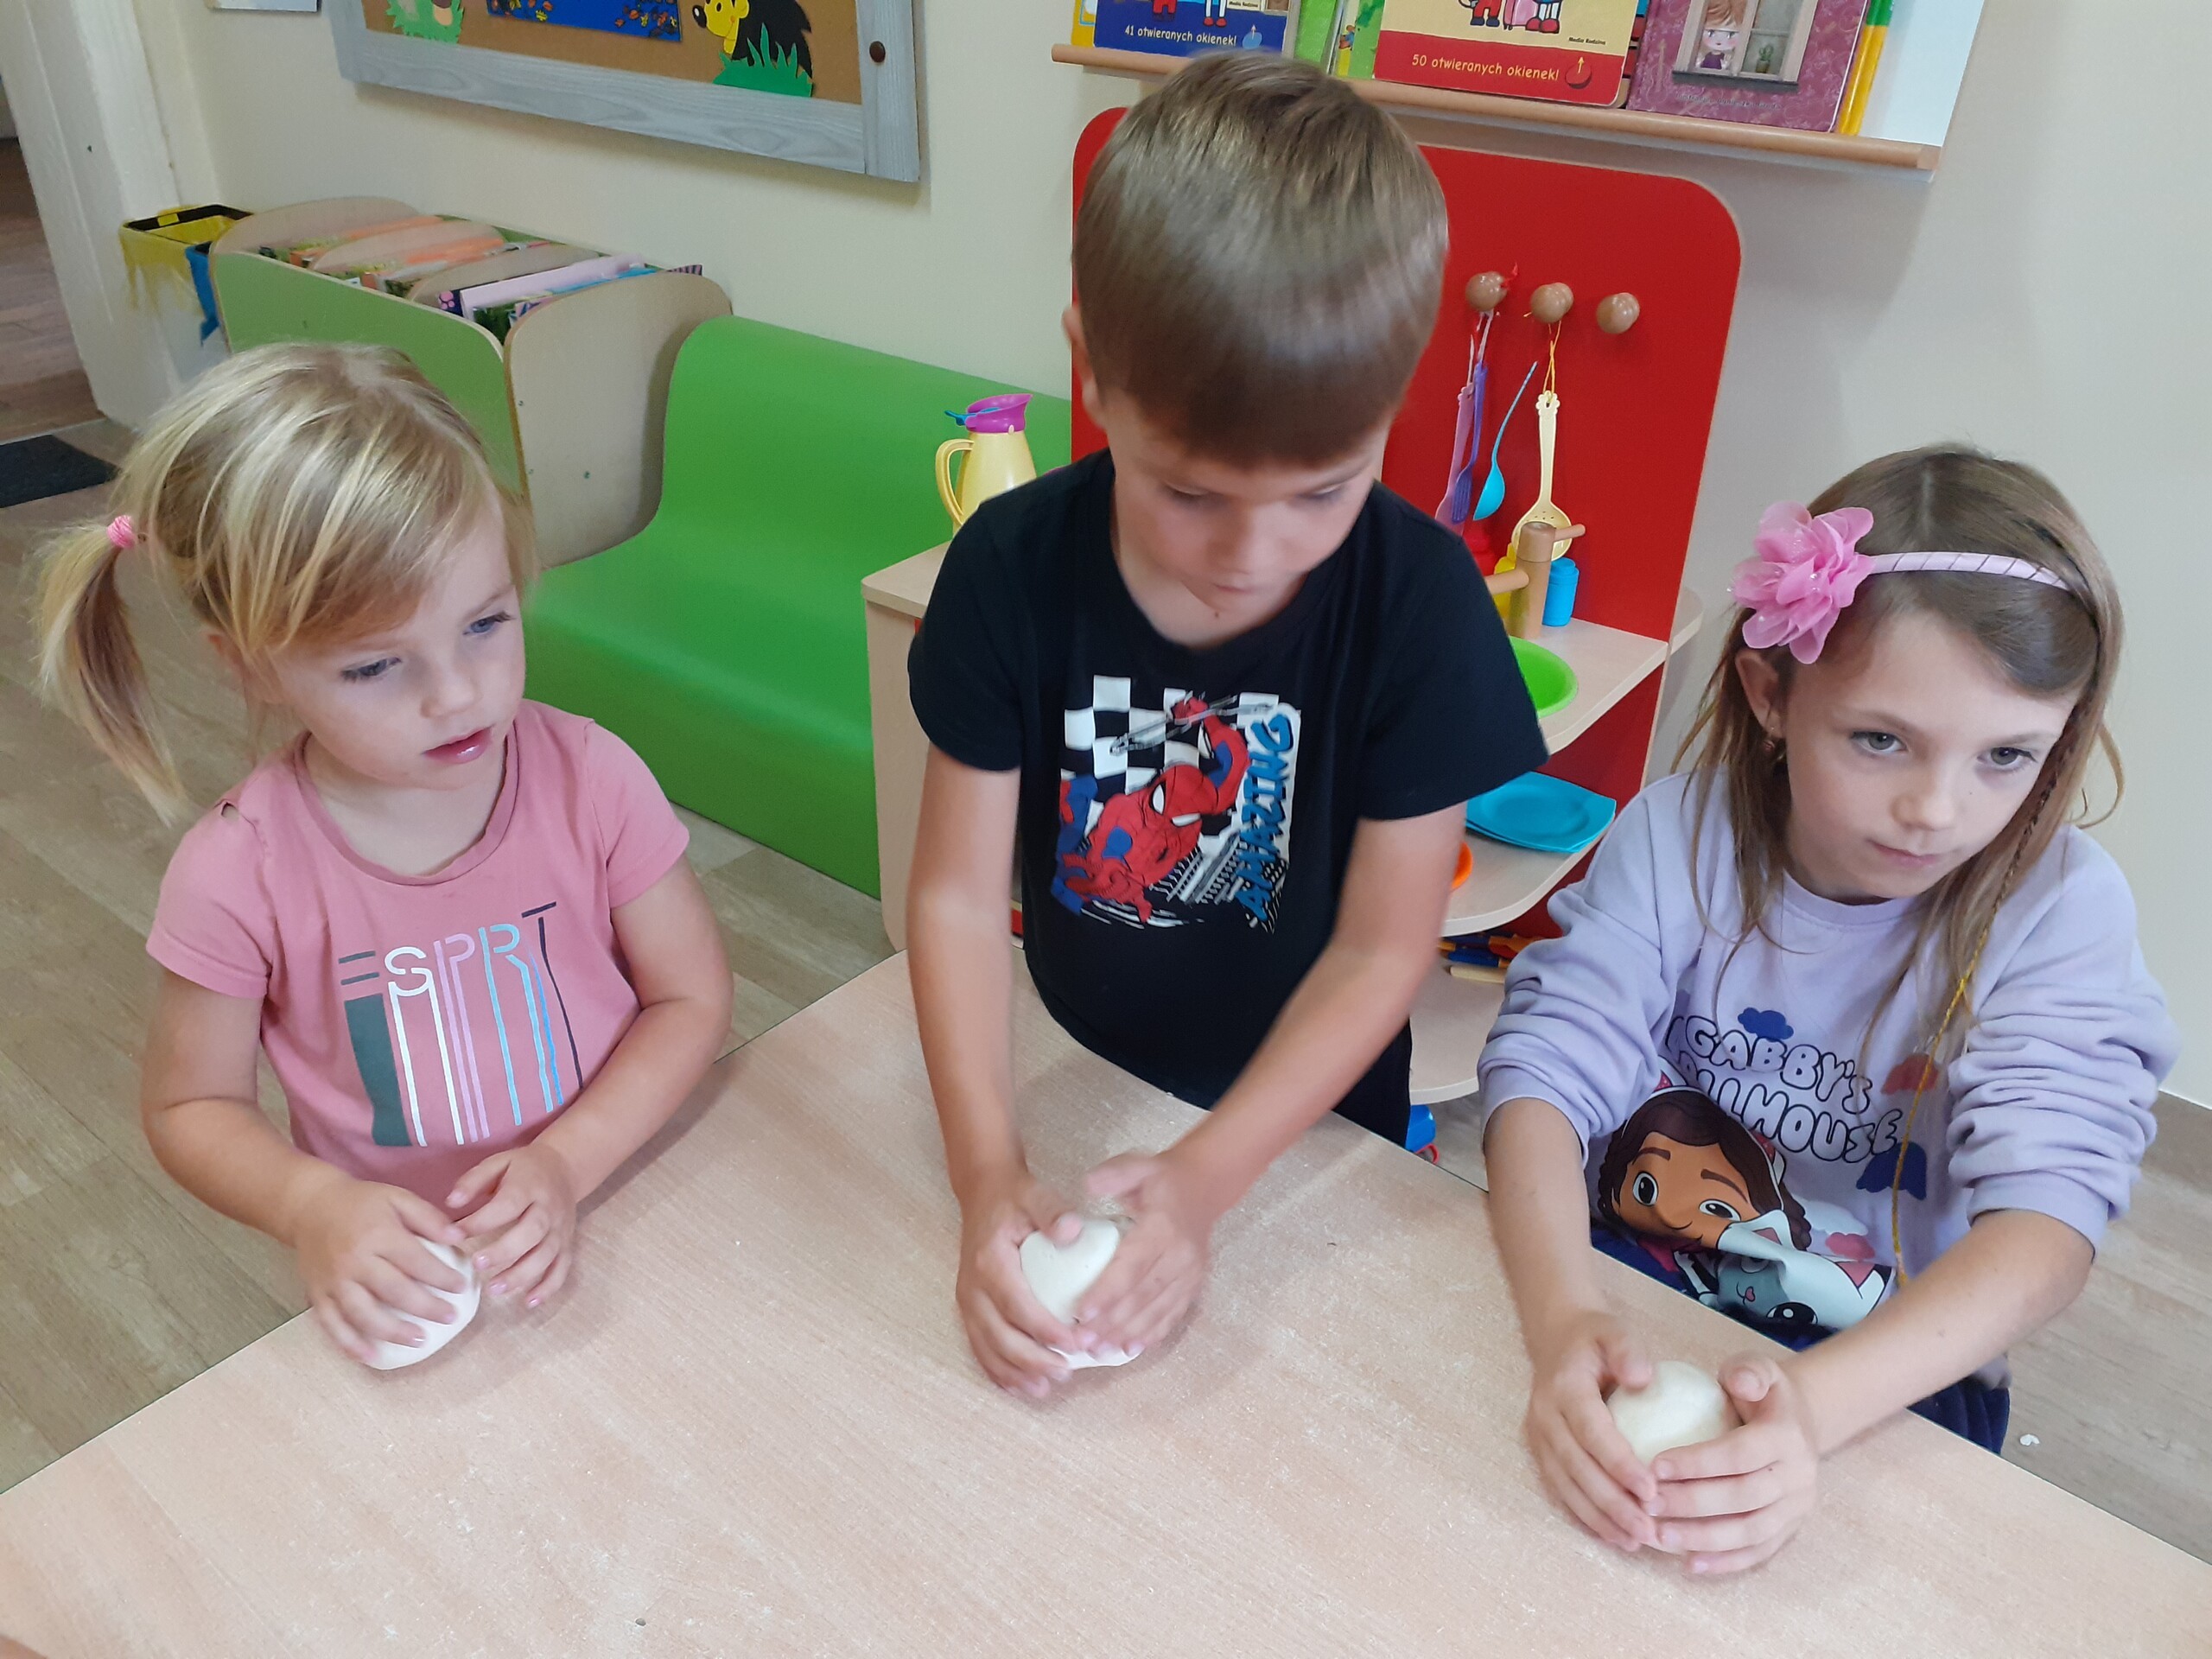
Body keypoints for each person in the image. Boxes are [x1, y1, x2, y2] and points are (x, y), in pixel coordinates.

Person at [906, 52, 1546, 1398]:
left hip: (1316, 1129)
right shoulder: (1009, 573)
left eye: (1322, 492)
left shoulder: (1423, 606)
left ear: (1391, 413)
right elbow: (957, 901)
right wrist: (983, 1172)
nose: (1254, 556)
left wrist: (1207, 1177)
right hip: (1077, 1069)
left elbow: (1383, 949)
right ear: (1092, 371)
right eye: (1190, 493)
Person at [1478, 447, 2177, 1572]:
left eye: (2006, 755)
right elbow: (1545, 1071)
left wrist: (1810, 1409)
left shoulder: (2061, 912)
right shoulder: (1675, 837)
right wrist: (1561, 1317)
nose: (1936, 809)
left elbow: (2047, 1225)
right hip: (1637, 1275)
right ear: (1771, 694)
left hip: (1892, 1362)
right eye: (1880, 740)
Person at [36, 344, 732, 1365]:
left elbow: (691, 998)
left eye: (486, 622)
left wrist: (567, 1164)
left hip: (627, 1195)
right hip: (419, 1284)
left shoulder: (593, 778)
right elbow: (192, 1106)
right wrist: (310, 1206)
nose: (457, 695)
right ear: (248, 665)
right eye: (374, 667)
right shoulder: (238, 874)